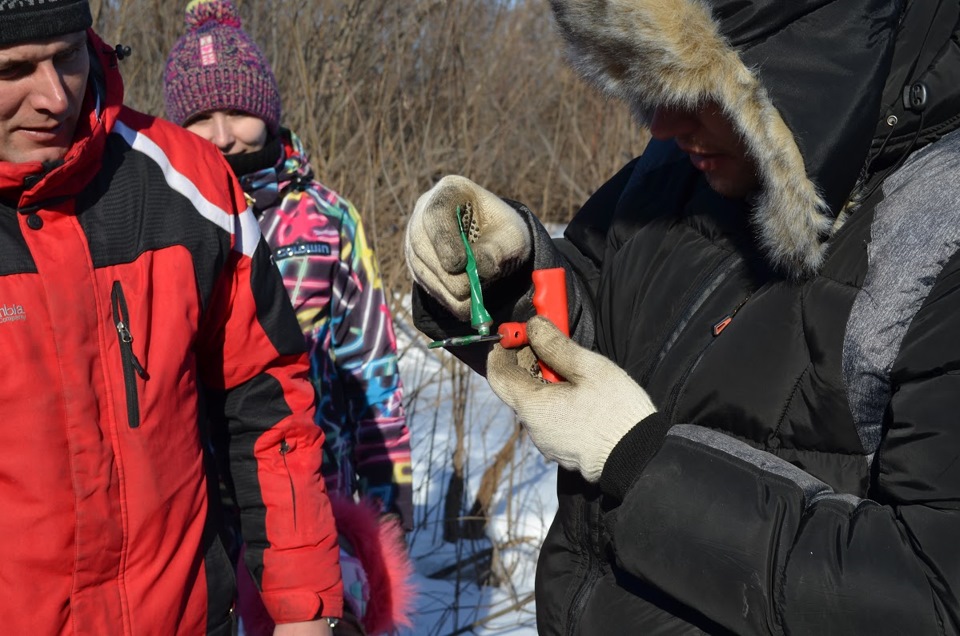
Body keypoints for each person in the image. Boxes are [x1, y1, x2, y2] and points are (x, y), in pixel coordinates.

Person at [405, 0, 960, 633]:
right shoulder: (689, 163)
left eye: (699, 82)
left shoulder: (940, 233)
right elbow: (604, 294)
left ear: (813, 62)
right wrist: (502, 275)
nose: (664, 125)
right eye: (653, 76)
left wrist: (642, 462)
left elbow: (932, 597)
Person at [0, 1, 344, 634]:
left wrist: (304, 605)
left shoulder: (192, 186)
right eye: (14, 69)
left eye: (69, 56)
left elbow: (268, 406)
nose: (54, 96)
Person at [162, 2, 414, 634]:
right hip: (199, 518)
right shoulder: (167, 223)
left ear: (267, 109)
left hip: (314, 497)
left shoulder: (329, 219)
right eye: (200, 118)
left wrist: (386, 501)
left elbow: (372, 369)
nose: (221, 134)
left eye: (237, 112)